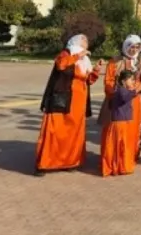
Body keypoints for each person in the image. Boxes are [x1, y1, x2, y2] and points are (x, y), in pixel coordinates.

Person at [35, 34, 105, 176]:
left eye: (87, 41)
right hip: (62, 100)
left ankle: (69, 162)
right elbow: (61, 65)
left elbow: (88, 80)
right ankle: (44, 164)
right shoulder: (66, 54)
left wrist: (96, 69)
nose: (87, 43)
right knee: (55, 130)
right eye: (84, 41)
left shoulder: (85, 60)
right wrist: (78, 56)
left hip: (78, 103)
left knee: (73, 133)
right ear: (76, 43)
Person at [102, 35, 141, 159]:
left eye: (137, 47)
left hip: (137, 101)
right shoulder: (115, 61)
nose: (134, 50)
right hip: (120, 102)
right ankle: (117, 156)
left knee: (135, 129)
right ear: (126, 46)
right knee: (119, 129)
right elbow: (108, 81)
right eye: (131, 47)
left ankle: (132, 155)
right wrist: (118, 92)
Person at [101, 69, 141, 177]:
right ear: (123, 81)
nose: (133, 82)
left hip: (123, 122)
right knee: (119, 147)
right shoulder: (120, 90)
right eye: (131, 80)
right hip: (119, 123)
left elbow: (129, 95)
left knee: (122, 147)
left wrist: (140, 90)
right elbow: (125, 97)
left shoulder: (124, 90)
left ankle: (120, 166)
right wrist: (137, 90)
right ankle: (117, 167)